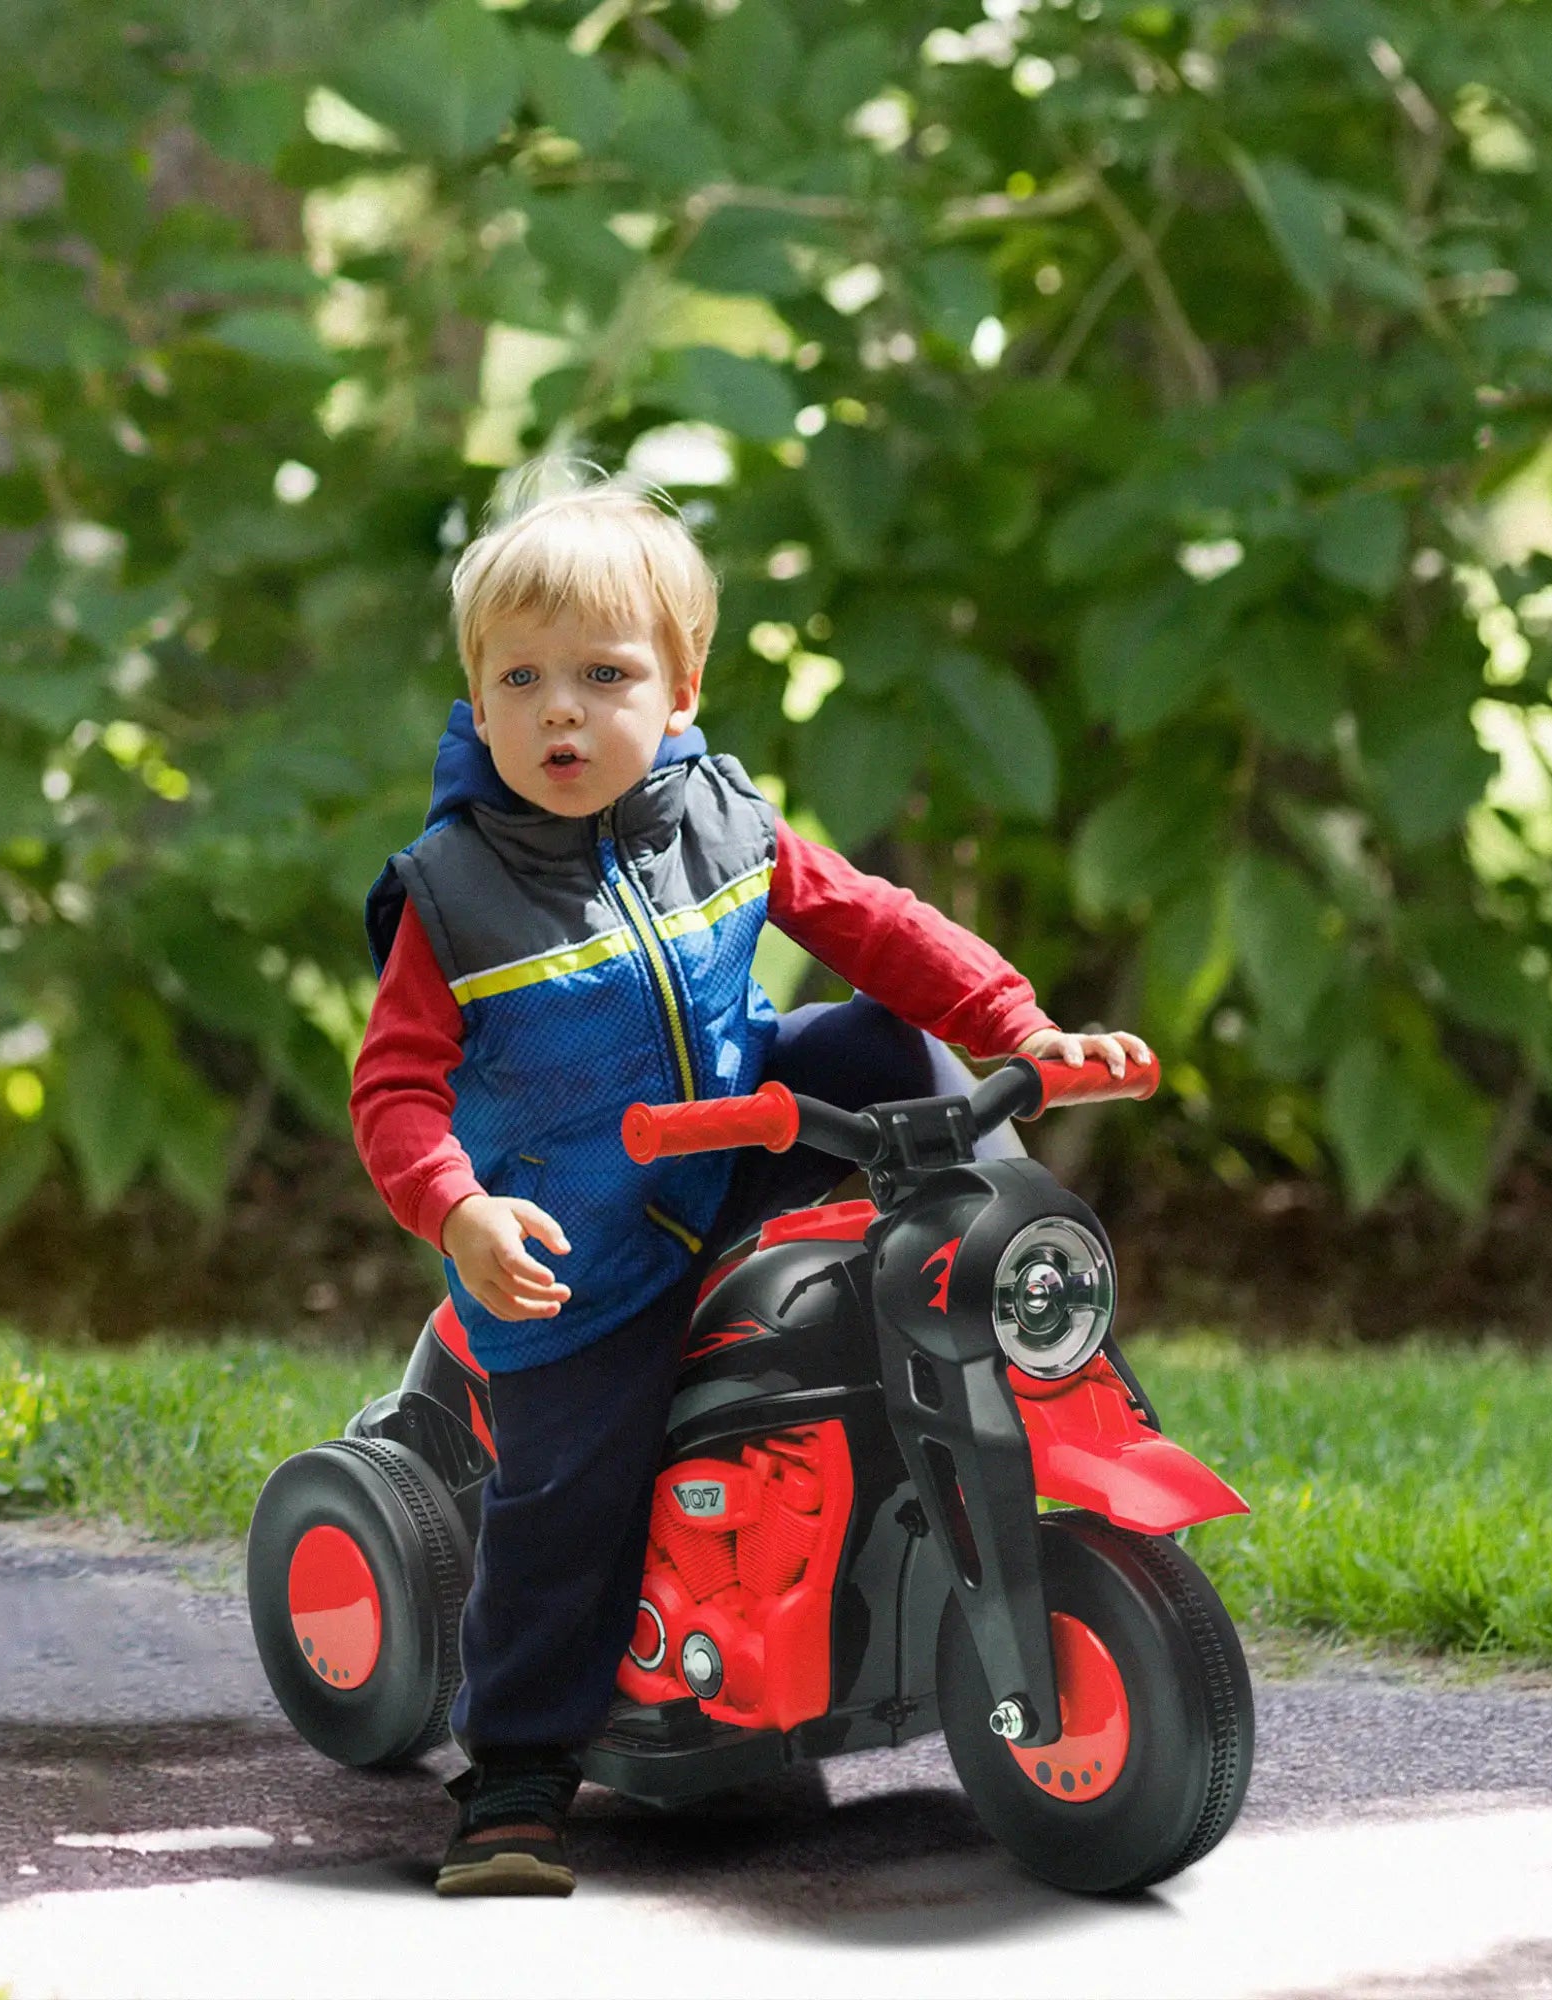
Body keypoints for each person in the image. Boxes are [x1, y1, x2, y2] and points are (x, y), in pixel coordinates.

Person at [351, 464, 1148, 1896]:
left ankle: (1004, 1291)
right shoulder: (454, 890)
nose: (562, 712)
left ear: (682, 681)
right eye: (520, 678)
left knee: (886, 1035)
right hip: (582, 1230)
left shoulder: (717, 815)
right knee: (570, 1485)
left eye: (604, 673)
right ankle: (520, 1772)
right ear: (474, 696)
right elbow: (396, 1090)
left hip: (735, 1131)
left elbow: (876, 922)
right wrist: (459, 1209)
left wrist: (1021, 1028)